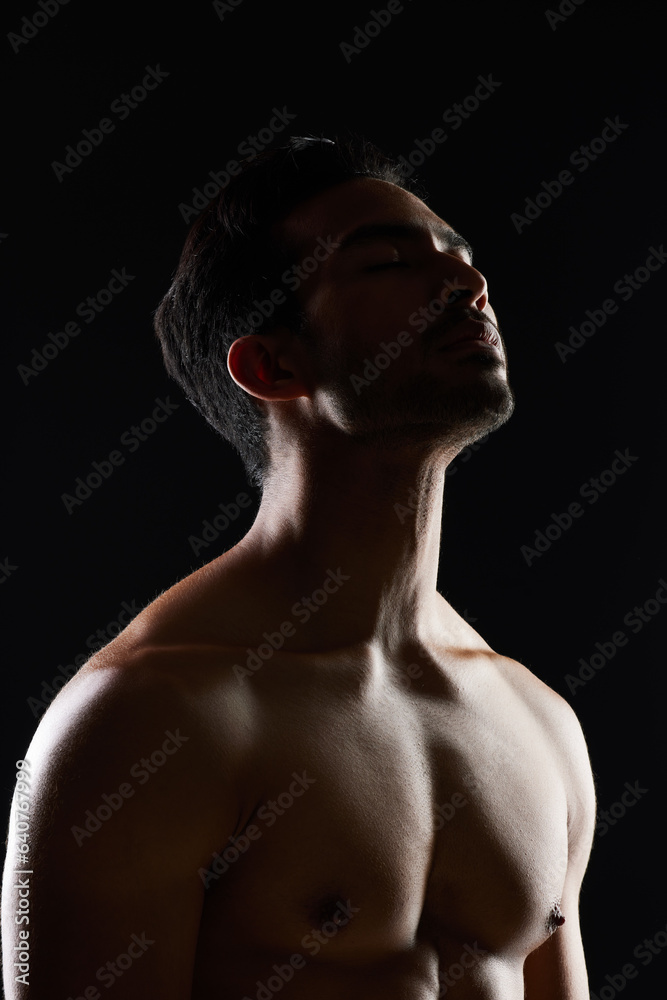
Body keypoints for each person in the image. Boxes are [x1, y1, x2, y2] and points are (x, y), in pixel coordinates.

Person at [1, 136, 596, 998]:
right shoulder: (150, 720)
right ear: (273, 365)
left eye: (463, 260)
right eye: (389, 262)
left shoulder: (537, 723)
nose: (466, 285)